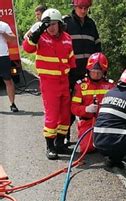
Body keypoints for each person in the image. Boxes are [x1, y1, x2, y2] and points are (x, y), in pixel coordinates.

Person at [22, 8, 76, 160]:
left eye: (54, 24)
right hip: (49, 83)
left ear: (60, 24)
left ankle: (60, 144)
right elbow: (27, 48)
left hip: (64, 82)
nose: (51, 27)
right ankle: (50, 147)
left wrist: (73, 80)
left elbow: (71, 60)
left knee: (65, 115)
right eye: (48, 24)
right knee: (52, 116)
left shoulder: (67, 38)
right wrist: (37, 32)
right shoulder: (41, 37)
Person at [63, 0, 101, 145]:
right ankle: (65, 134)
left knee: (89, 104)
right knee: (69, 106)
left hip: (88, 73)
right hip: (71, 73)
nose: (83, 10)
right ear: (74, 6)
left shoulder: (91, 24)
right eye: (80, 7)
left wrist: (99, 69)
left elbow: (98, 47)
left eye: (86, 8)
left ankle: (90, 135)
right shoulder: (66, 23)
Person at [71, 52, 114, 153]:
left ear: (104, 72)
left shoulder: (111, 86)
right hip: (88, 122)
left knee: (110, 147)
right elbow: (73, 108)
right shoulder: (81, 86)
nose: (96, 75)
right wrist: (86, 109)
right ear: (88, 70)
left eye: (99, 72)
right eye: (93, 72)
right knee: (87, 148)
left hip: (105, 122)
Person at [0, 20, 18, 112]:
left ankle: (12, 104)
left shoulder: (4, 25)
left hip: (3, 56)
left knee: (8, 80)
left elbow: (12, 39)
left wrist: (3, 33)